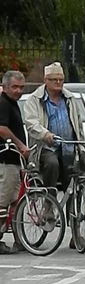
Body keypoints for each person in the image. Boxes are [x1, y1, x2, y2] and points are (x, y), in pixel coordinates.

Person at [23, 61, 85, 250]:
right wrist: (45, 134)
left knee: (75, 185)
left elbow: (76, 122)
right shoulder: (35, 100)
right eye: (54, 79)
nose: (58, 83)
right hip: (46, 149)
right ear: (45, 80)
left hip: (68, 148)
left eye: (61, 79)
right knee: (52, 164)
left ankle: (76, 233)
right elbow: (31, 123)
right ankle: (48, 203)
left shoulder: (69, 99)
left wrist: (82, 144)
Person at [0, 70, 29, 254]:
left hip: (13, 160)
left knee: (12, 200)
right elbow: (2, 129)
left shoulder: (12, 103)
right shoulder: (3, 104)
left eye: (21, 87)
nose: (18, 91)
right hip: (5, 160)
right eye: (14, 87)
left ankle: (18, 239)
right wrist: (20, 145)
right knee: (3, 201)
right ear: (4, 87)